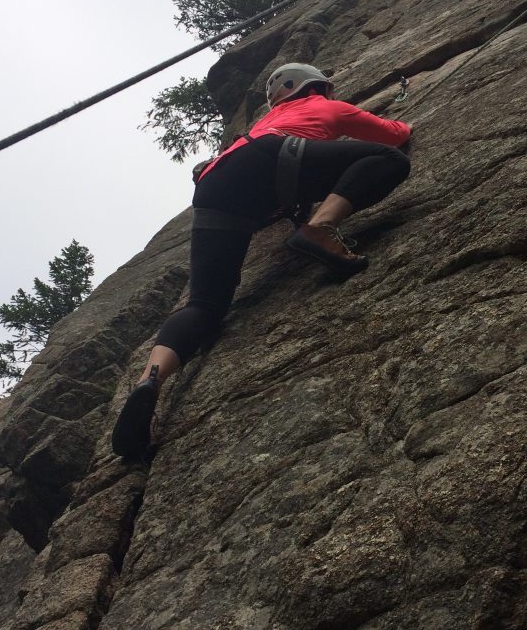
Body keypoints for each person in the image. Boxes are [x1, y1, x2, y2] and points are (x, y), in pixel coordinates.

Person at [112, 63, 411, 459]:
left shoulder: (266, 118)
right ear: (317, 87)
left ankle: (149, 379)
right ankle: (320, 228)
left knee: (205, 305)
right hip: (275, 160)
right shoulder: (326, 106)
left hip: (216, 186)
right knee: (389, 159)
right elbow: (396, 135)